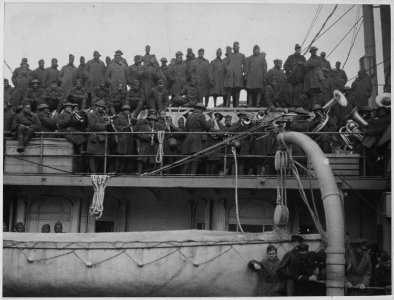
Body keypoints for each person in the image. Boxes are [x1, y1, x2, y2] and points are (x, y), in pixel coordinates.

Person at [181, 103, 212, 174]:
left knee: (187, 158)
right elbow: (207, 127)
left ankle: (184, 174)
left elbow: (186, 128)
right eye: (203, 110)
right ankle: (192, 174)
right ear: (201, 109)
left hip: (188, 138)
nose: (203, 111)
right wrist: (210, 120)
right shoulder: (201, 116)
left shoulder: (189, 116)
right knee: (196, 157)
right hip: (197, 138)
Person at [112, 104, 138, 174]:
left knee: (127, 157)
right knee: (120, 156)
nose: (128, 111)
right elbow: (115, 126)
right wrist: (125, 127)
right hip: (121, 139)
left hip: (129, 139)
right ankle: (117, 171)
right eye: (126, 110)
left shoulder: (129, 118)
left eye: (128, 110)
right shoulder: (118, 117)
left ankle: (123, 171)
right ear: (123, 111)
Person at [87, 100, 110, 173]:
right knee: (93, 156)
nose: (103, 108)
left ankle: (100, 174)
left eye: (103, 107)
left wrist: (110, 122)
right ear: (97, 106)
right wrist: (106, 125)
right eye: (101, 107)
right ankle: (93, 173)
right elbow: (93, 125)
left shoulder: (104, 115)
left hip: (103, 139)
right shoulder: (91, 114)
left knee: (102, 157)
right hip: (95, 138)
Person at [223, 41, 246, 107]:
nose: (236, 48)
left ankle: (236, 105)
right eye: (234, 47)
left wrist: (242, 71)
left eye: (237, 47)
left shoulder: (242, 55)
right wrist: (227, 69)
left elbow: (245, 65)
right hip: (230, 76)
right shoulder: (230, 55)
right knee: (229, 90)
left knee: (237, 90)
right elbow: (225, 63)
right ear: (233, 48)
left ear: (239, 48)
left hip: (238, 76)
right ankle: (228, 104)